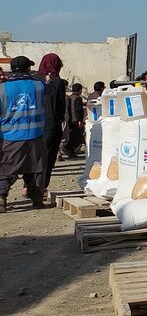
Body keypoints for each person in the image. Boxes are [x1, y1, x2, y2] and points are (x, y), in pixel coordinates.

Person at [0, 56, 48, 212]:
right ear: (27, 69)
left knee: (7, 170)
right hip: (35, 135)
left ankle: (1, 198)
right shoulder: (39, 86)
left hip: (10, 137)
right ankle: (37, 200)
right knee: (36, 169)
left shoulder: (2, 89)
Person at [37, 53, 67, 197]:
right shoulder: (58, 82)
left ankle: (27, 186)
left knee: (34, 155)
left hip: (35, 123)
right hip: (51, 123)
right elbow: (61, 106)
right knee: (48, 156)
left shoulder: (34, 79)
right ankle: (41, 187)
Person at [61, 82, 86, 157]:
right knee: (77, 137)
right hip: (75, 120)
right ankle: (70, 150)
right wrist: (80, 120)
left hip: (69, 119)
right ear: (80, 90)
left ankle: (70, 150)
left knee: (71, 136)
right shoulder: (78, 98)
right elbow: (78, 110)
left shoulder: (69, 97)